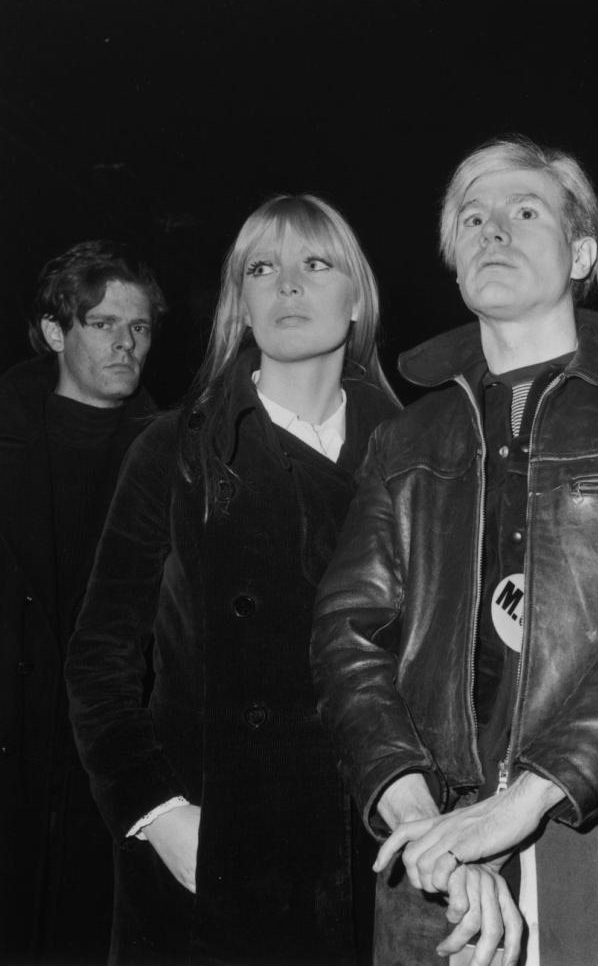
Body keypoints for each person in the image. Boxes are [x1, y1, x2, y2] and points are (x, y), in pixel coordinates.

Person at [311, 137, 598, 966]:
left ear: (582, 250)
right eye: (471, 218)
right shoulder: (404, 440)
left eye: (525, 212)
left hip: (594, 820)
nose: (493, 231)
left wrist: (520, 804)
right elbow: (347, 634)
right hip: (425, 836)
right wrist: (425, 826)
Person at [65, 195, 399, 964]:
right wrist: (159, 813)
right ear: (240, 304)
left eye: (315, 264)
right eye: (262, 268)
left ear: (356, 300)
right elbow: (99, 657)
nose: (287, 284)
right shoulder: (172, 450)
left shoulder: (412, 453)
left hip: (364, 847)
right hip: (206, 847)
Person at [0, 240, 165, 964]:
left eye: (140, 328)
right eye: (104, 324)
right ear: (55, 332)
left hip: (111, 759)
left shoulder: (173, 456)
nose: (127, 344)